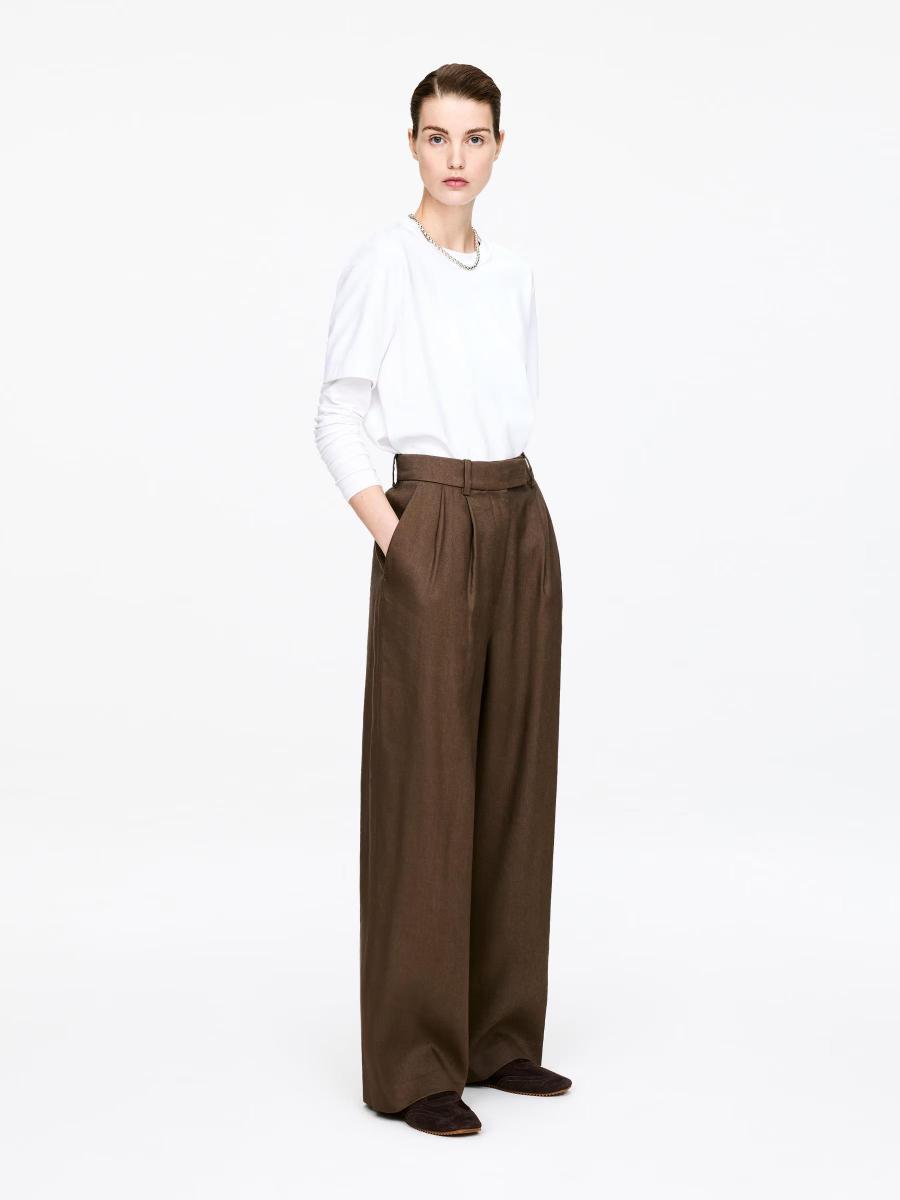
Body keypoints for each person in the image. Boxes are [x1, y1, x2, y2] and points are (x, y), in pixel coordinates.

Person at [314, 63, 571, 1138]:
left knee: (513, 775)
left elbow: (512, 396)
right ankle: (416, 1062)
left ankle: (498, 1036)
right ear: (412, 145)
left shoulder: (512, 274)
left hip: (517, 510)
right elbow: (337, 413)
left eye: (474, 137)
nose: (455, 157)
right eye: (436, 136)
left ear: (499, 148)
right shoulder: (384, 262)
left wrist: (509, 522)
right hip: (433, 515)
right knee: (426, 787)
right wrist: (401, 536)